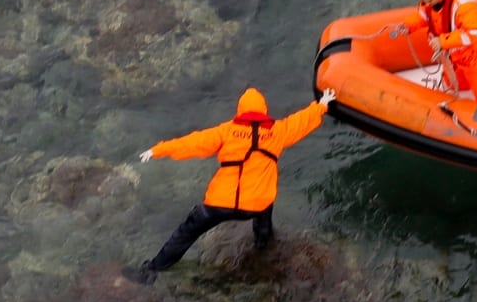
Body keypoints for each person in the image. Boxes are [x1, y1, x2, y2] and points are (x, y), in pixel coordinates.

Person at [122, 87, 335, 285]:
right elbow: (302, 121)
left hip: (219, 204)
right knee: (264, 206)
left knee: (185, 234)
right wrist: (322, 104)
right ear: (264, 111)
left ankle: (152, 270)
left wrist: (158, 150)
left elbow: (192, 142)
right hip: (255, 204)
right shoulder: (277, 131)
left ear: (240, 111)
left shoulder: (227, 131)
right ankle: (263, 244)